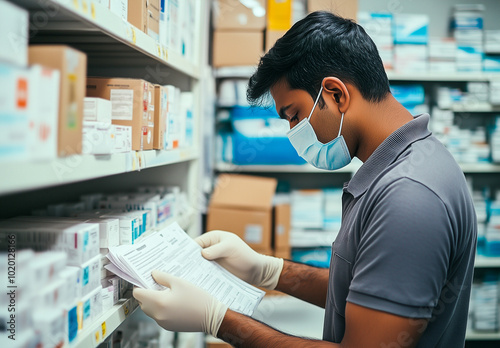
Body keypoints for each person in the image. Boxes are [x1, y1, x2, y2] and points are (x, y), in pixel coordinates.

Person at [133, 11, 477, 348]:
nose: (293, 134)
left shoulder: (409, 195)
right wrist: (266, 270)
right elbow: (364, 289)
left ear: (336, 94)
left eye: (294, 116)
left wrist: (218, 320)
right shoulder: (403, 167)